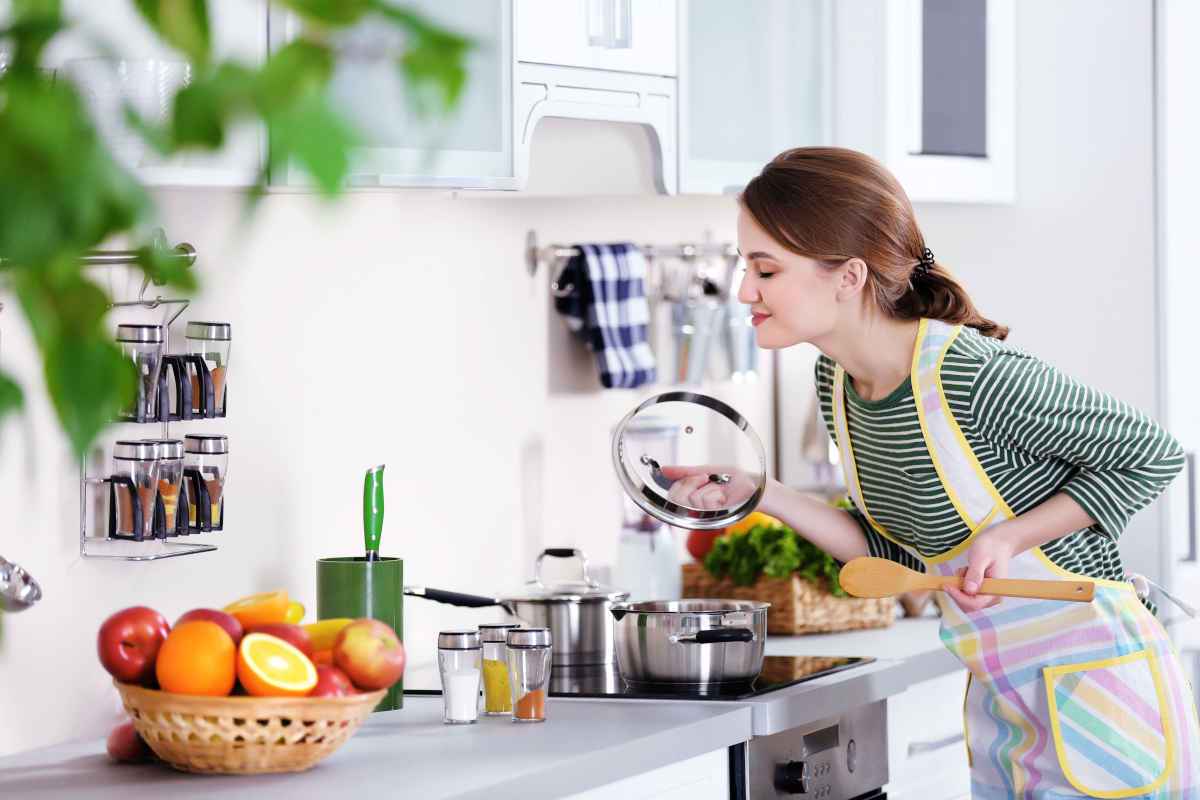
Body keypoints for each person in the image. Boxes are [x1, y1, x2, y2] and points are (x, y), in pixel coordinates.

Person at [669, 147, 1199, 798]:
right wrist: (764, 493)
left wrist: (1008, 539)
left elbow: (1150, 452)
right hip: (1007, 709)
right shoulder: (839, 384)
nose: (745, 290)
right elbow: (890, 551)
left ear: (848, 275)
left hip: (1103, 705)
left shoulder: (969, 375)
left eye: (766, 269)